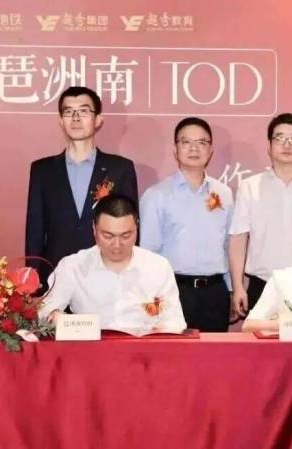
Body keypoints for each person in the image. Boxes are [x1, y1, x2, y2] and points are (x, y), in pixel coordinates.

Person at [26, 86, 138, 293]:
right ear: (61, 121)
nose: (76, 118)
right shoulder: (42, 170)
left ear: (98, 120)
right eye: (69, 112)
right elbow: (35, 231)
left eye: (84, 111)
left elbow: (131, 228)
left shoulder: (120, 168)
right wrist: (33, 281)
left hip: (108, 276)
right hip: (56, 277)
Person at [229, 113, 292, 320]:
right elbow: (239, 239)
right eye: (279, 138)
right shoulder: (250, 187)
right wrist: (238, 286)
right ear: (269, 146)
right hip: (262, 285)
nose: (287, 144)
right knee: (260, 342)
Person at [39, 194, 186, 333]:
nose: (117, 245)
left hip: (143, 349)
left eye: (126, 236)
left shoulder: (158, 267)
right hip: (91, 348)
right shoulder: (73, 266)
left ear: (136, 228)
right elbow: (44, 312)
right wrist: (55, 316)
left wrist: (163, 329)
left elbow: (175, 322)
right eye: (108, 236)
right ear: (94, 229)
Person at [140, 117, 233, 332]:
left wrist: (230, 289)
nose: (194, 148)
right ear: (175, 149)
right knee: (174, 353)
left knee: (216, 353)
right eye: (186, 142)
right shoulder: (156, 196)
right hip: (174, 292)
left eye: (201, 142)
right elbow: (148, 253)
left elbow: (228, 246)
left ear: (210, 150)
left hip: (215, 293)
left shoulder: (224, 194)